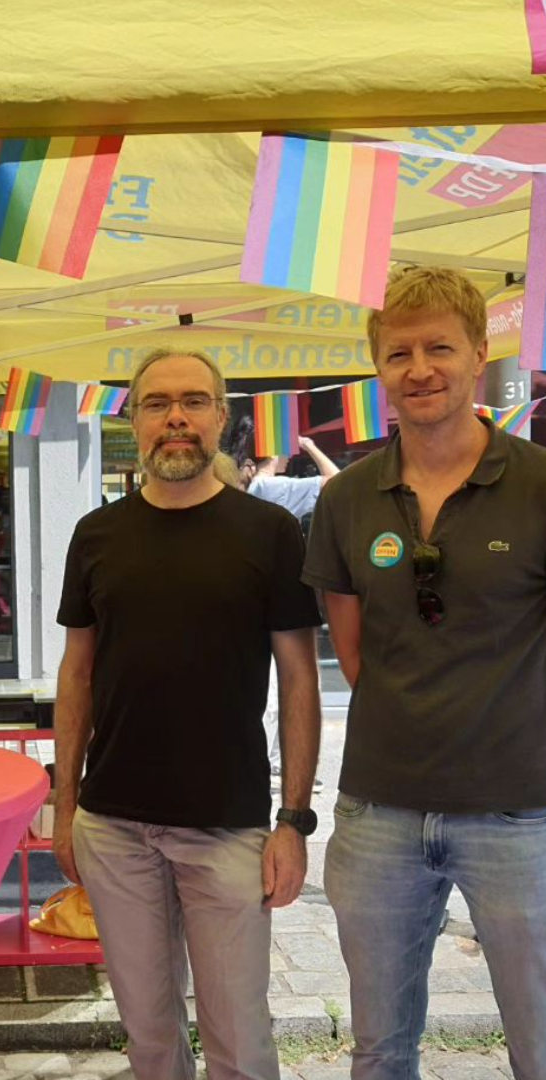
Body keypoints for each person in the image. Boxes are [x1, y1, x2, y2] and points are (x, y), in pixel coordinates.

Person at [303, 266, 546, 1080]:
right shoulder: (345, 501)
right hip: (378, 815)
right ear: (377, 369)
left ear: (478, 354)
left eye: (438, 347)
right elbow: (353, 649)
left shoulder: (540, 484)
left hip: (521, 817)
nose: (418, 368)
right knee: (377, 1051)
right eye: (397, 353)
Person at [54, 347, 322, 1080]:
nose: (176, 417)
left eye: (194, 401)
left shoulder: (269, 533)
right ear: (134, 420)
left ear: (221, 418)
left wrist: (292, 823)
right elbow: (76, 675)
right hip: (112, 827)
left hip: (227, 827)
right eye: (156, 402)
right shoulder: (96, 535)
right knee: (148, 1037)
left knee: (239, 1042)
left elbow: (300, 682)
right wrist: (64, 804)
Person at [240, 428, 339, 793]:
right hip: (277, 597)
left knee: (267, 685)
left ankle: (269, 763)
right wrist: (311, 447)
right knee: (286, 684)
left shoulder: (244, 489)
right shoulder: (272, 489)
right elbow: (336, 481)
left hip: (249, 597)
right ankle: (273, 764)